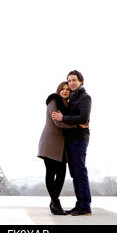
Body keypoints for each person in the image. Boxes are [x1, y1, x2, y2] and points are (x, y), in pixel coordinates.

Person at [38, 81, 85, 215]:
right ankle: (56, 203)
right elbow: (57, 122)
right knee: (51, 172)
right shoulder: (53, 100)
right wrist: (76, 125)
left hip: (61, 145)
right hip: (50, 141)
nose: (65, 91)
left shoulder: (67, 105)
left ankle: (54, 202)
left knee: (61, 174)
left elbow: (65, 118)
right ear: (58, 90)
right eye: (62, 89)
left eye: (67, 90)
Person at [52, 70, 92, 216]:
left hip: (80, 139)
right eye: (69, 81)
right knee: (75, 173)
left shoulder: (85, 97)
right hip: (71, 139)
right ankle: (79, 204)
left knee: (80, 171)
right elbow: (79, 118)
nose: (71, 83)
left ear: (81, 81)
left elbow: (83, 118)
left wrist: (63, 118)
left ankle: (85, 205)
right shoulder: (73, 98)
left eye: (74, 80)